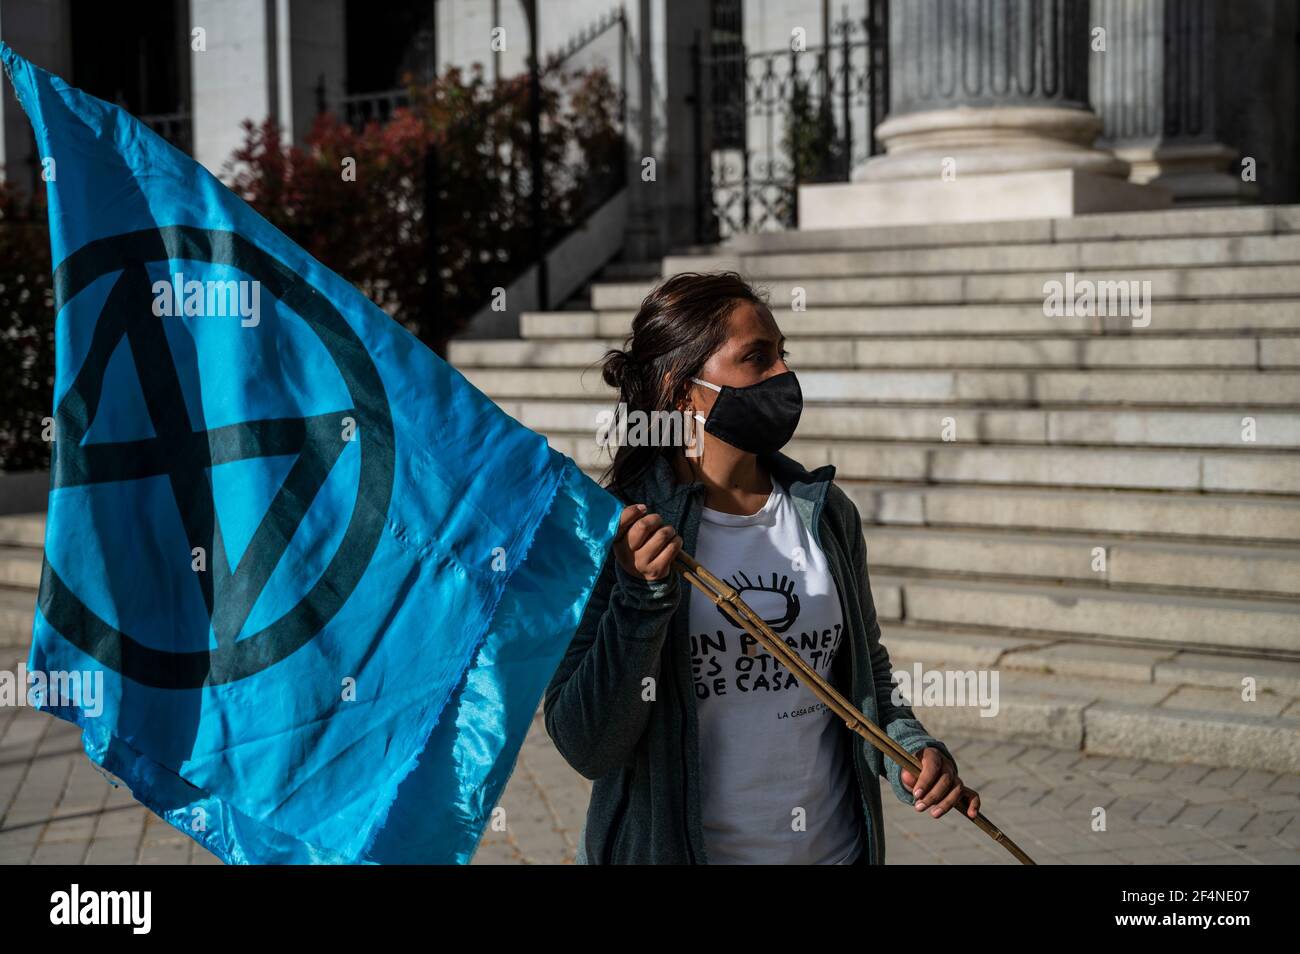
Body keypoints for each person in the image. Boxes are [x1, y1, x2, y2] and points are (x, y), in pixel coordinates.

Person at [543, 271, 978, 864]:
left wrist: (911, 748)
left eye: (782, 355)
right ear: (680, 391)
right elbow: (586, 743)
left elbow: (863, 672)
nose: (783, 376)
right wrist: (641, 597)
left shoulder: (823, 512)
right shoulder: (620, 529)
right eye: (757, 358)